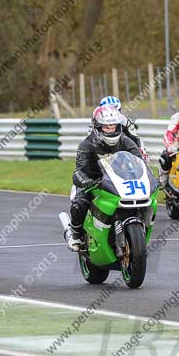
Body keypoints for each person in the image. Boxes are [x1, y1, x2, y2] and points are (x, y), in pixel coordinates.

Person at [67, 105, 143, 251]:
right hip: (94, 183)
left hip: (119, 181)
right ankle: (75, 233)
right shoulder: (87, 145)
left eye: (114, 126)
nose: (111, 130)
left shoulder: (126, 141)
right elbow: (78, 172)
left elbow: (140, 162)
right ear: (97, 126)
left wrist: (150, 178)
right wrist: (86, 181)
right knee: (80, 203)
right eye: (107, 127)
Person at [97, 96, 150, 164]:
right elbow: (90, 141)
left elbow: (135, 138)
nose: (112, 117)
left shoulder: (125, 121)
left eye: (115, 112)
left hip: (121, 153)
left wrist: (142, 152)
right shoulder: (95, 122)